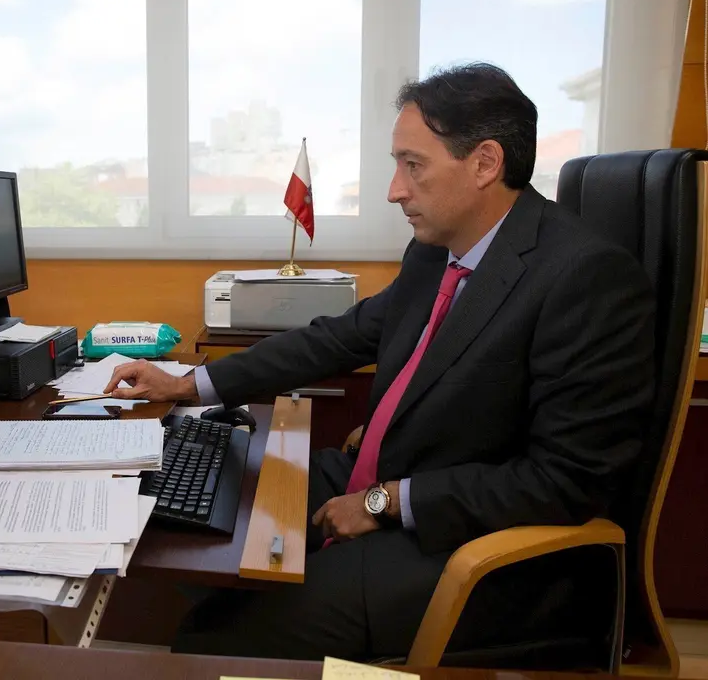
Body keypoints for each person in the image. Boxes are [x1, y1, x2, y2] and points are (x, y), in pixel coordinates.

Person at [104, 63, 656, 661]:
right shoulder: (438, 251)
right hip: (399, 476)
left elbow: (563, 482)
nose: (395, 189)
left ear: (485, 163)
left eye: (412, 165)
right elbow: (338, 338)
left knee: (215, 637)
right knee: (204, 512)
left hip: (478, 547)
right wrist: (191, 385)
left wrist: (384, 501)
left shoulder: (584, 277)